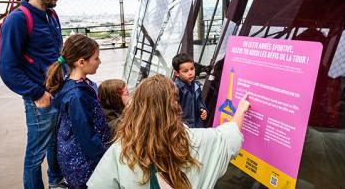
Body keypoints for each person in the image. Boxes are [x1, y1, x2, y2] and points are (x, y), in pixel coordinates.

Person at [87, 74, 251, 189]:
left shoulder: (121, 149)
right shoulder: (197, 140)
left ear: (136, 107)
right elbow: (230, 135)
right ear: (175, 106)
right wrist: (241, 110)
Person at [0, 0, 67, 189]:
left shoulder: (51, 14)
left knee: (55, 142)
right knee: (36, 154)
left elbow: (55, 53)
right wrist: (38, 94)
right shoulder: (18, 20)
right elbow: (8, 68)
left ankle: (56, 181)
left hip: (58, 91)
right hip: (40, 97)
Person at [46, 34, 111, 188]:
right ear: (81, 62)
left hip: (78, 157)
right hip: (83, 163)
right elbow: (86, 136)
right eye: (96, 58)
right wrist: (106, 159)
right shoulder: (78, 95)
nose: (99, 62)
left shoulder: (72, 84)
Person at [172, 53, 208, 128]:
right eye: (185, 71)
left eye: (192, 69)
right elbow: (172, 113)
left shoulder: (196, 85)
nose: (190, 73)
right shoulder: (175, 89)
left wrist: (203, 109)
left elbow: (200, 101)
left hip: (197, 126)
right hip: (184, 129)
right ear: (177, 73)